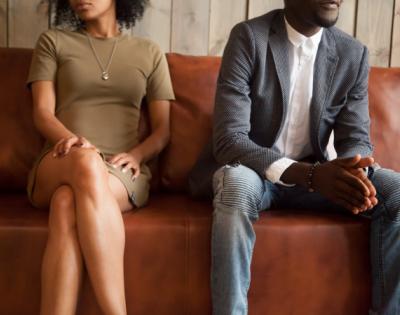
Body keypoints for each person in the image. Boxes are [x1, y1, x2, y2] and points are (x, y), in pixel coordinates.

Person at [189, 0, 400, 314]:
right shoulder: (249, 37)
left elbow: (355, 136)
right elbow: (229, 139)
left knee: (394, 190)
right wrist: (311, 175)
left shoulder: (352, 53)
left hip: (317, 178)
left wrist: (355, 169)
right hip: (254, 171)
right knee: (236, 186)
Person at [26, 0, 174, 314]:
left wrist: (137, 155)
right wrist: (69, 139)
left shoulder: (149, 52)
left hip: (120, 171)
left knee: (66, 204)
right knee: (85, 161)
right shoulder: (53, 41)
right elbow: (41, 113)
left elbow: (162, 131)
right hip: (61, 158)